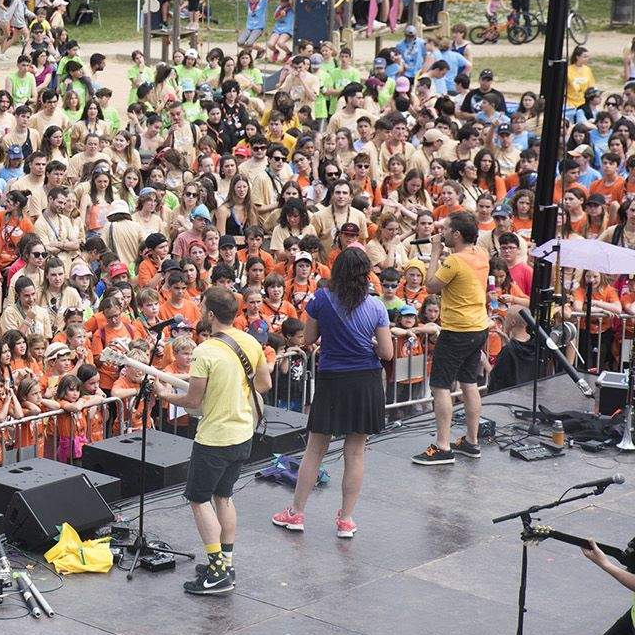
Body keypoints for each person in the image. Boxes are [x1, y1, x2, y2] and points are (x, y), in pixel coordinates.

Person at [148, 286, 269, 596]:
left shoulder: (204, 352)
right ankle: (225, 563)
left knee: (199, 500)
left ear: (212, 315)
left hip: (215, 437)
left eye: (202, 307)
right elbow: (264, 384)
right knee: (224, 497)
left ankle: (217, 572)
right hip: (243, 432)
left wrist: (164, 394)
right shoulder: (249, 341)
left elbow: (193, 400)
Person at [270, 247, 393, 537]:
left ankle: (296, 513)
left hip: (332, 379)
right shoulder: (376, 306)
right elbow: (387, 352)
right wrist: (369, 344)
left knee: (315, 449)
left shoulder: (321, 299)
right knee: (355, 452)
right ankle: (346, 520)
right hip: (365, 380)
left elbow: (310, 338)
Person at [414, 211, 488, 465]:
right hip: (479, 327)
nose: (441, 232)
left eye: (445, 229)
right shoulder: (482, 254)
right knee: (468, 383)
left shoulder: (454, 260)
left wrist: (435, 252)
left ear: (456, 234)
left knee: (441, 386)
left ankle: (443, 446)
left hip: (457, 329)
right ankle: (471, 441)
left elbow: (431, 286)